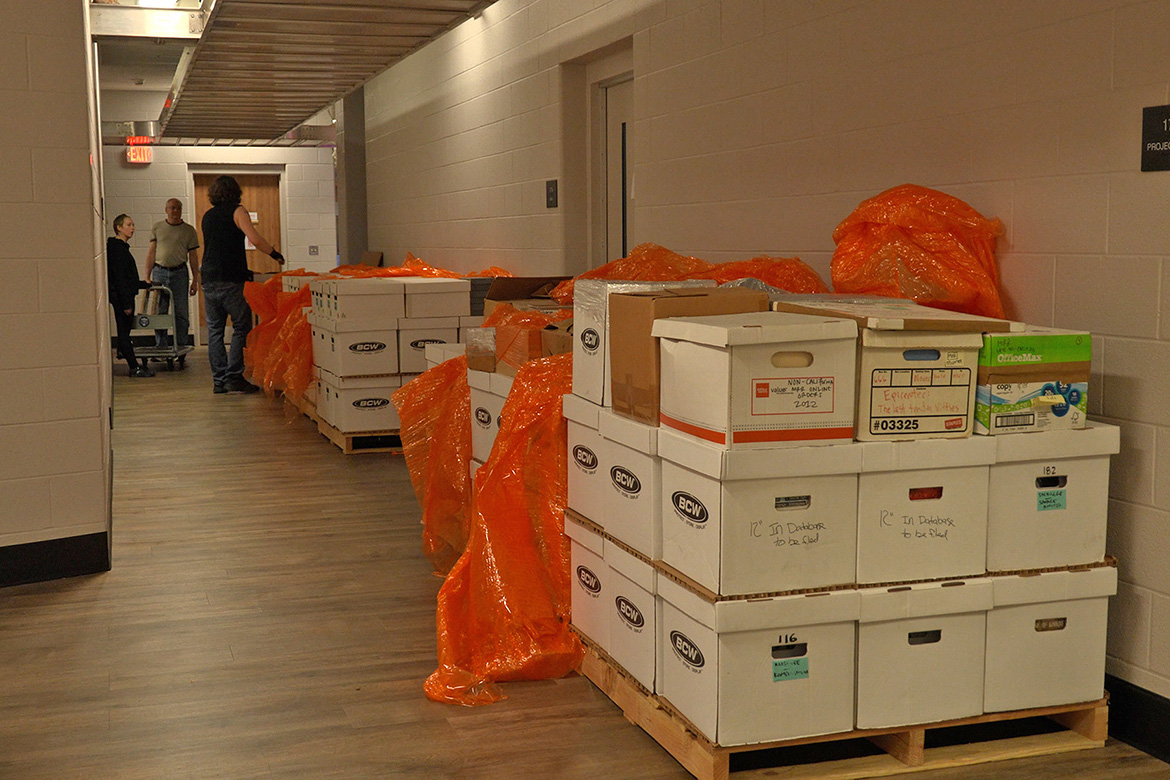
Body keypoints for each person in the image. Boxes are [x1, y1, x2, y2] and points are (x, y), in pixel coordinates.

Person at [201, 175, 284, 394]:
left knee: (215, 331)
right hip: (231, 279)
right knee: (241, 326)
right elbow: (254, 239)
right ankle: (234, 376)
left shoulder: (207, 216)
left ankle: (218, 381)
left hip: (209, 279)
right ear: (235, 192)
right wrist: (275, 254)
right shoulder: (238, 211)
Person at [143, 198, 200, 353]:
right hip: (160, 272)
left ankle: (180, 346)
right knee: (160, 310)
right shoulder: (158, 228)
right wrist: (147, 277)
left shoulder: (189, 230)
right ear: (166, 209)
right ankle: (160, 345)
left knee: (181, 312)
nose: (175, 211)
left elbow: (193, 257)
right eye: (172, 208)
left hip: (180, 272)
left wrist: (195, 280)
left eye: (178, 208)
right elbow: (151, 253)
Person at [106, 214, 154, 378]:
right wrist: (126, 303)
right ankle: (134, 367)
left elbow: (127, 278)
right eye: (128, 225)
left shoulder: (120, 248)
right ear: (119, 227)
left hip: (123, 296)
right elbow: (120, 279)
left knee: (124, 332)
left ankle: (131, 361)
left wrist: (143, 284)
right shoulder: (118, 250)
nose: (132, 228)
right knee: (124, 333)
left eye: (133, 224)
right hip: (122, 298)